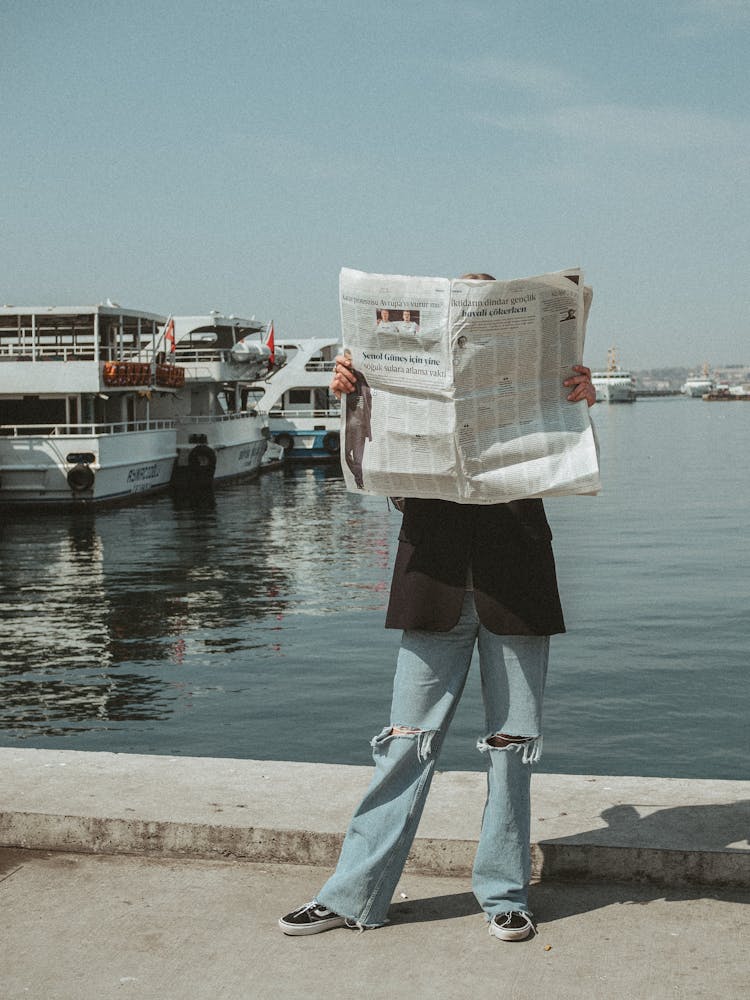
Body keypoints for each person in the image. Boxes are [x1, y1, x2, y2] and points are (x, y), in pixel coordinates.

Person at [279, 273, 596, 942]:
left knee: (511, 750)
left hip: (516, 580)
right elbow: (379, 476)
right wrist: (353, 397)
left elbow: (565, 464)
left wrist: (579, 401)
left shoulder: (541, 377)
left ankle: (505, 893)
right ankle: (352, 893)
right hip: (435, 578)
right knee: (404, 744)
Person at [341, 347, 372, 489]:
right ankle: (358, 477)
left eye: (351, 360)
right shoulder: (341, 376)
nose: (349, 362)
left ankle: (360, 481)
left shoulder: (360, 377)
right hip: (347, 423)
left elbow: (366, 398)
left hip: (358, 422)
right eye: (346, 359)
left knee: (358, 457)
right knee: (346, 454)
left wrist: (361, 411)